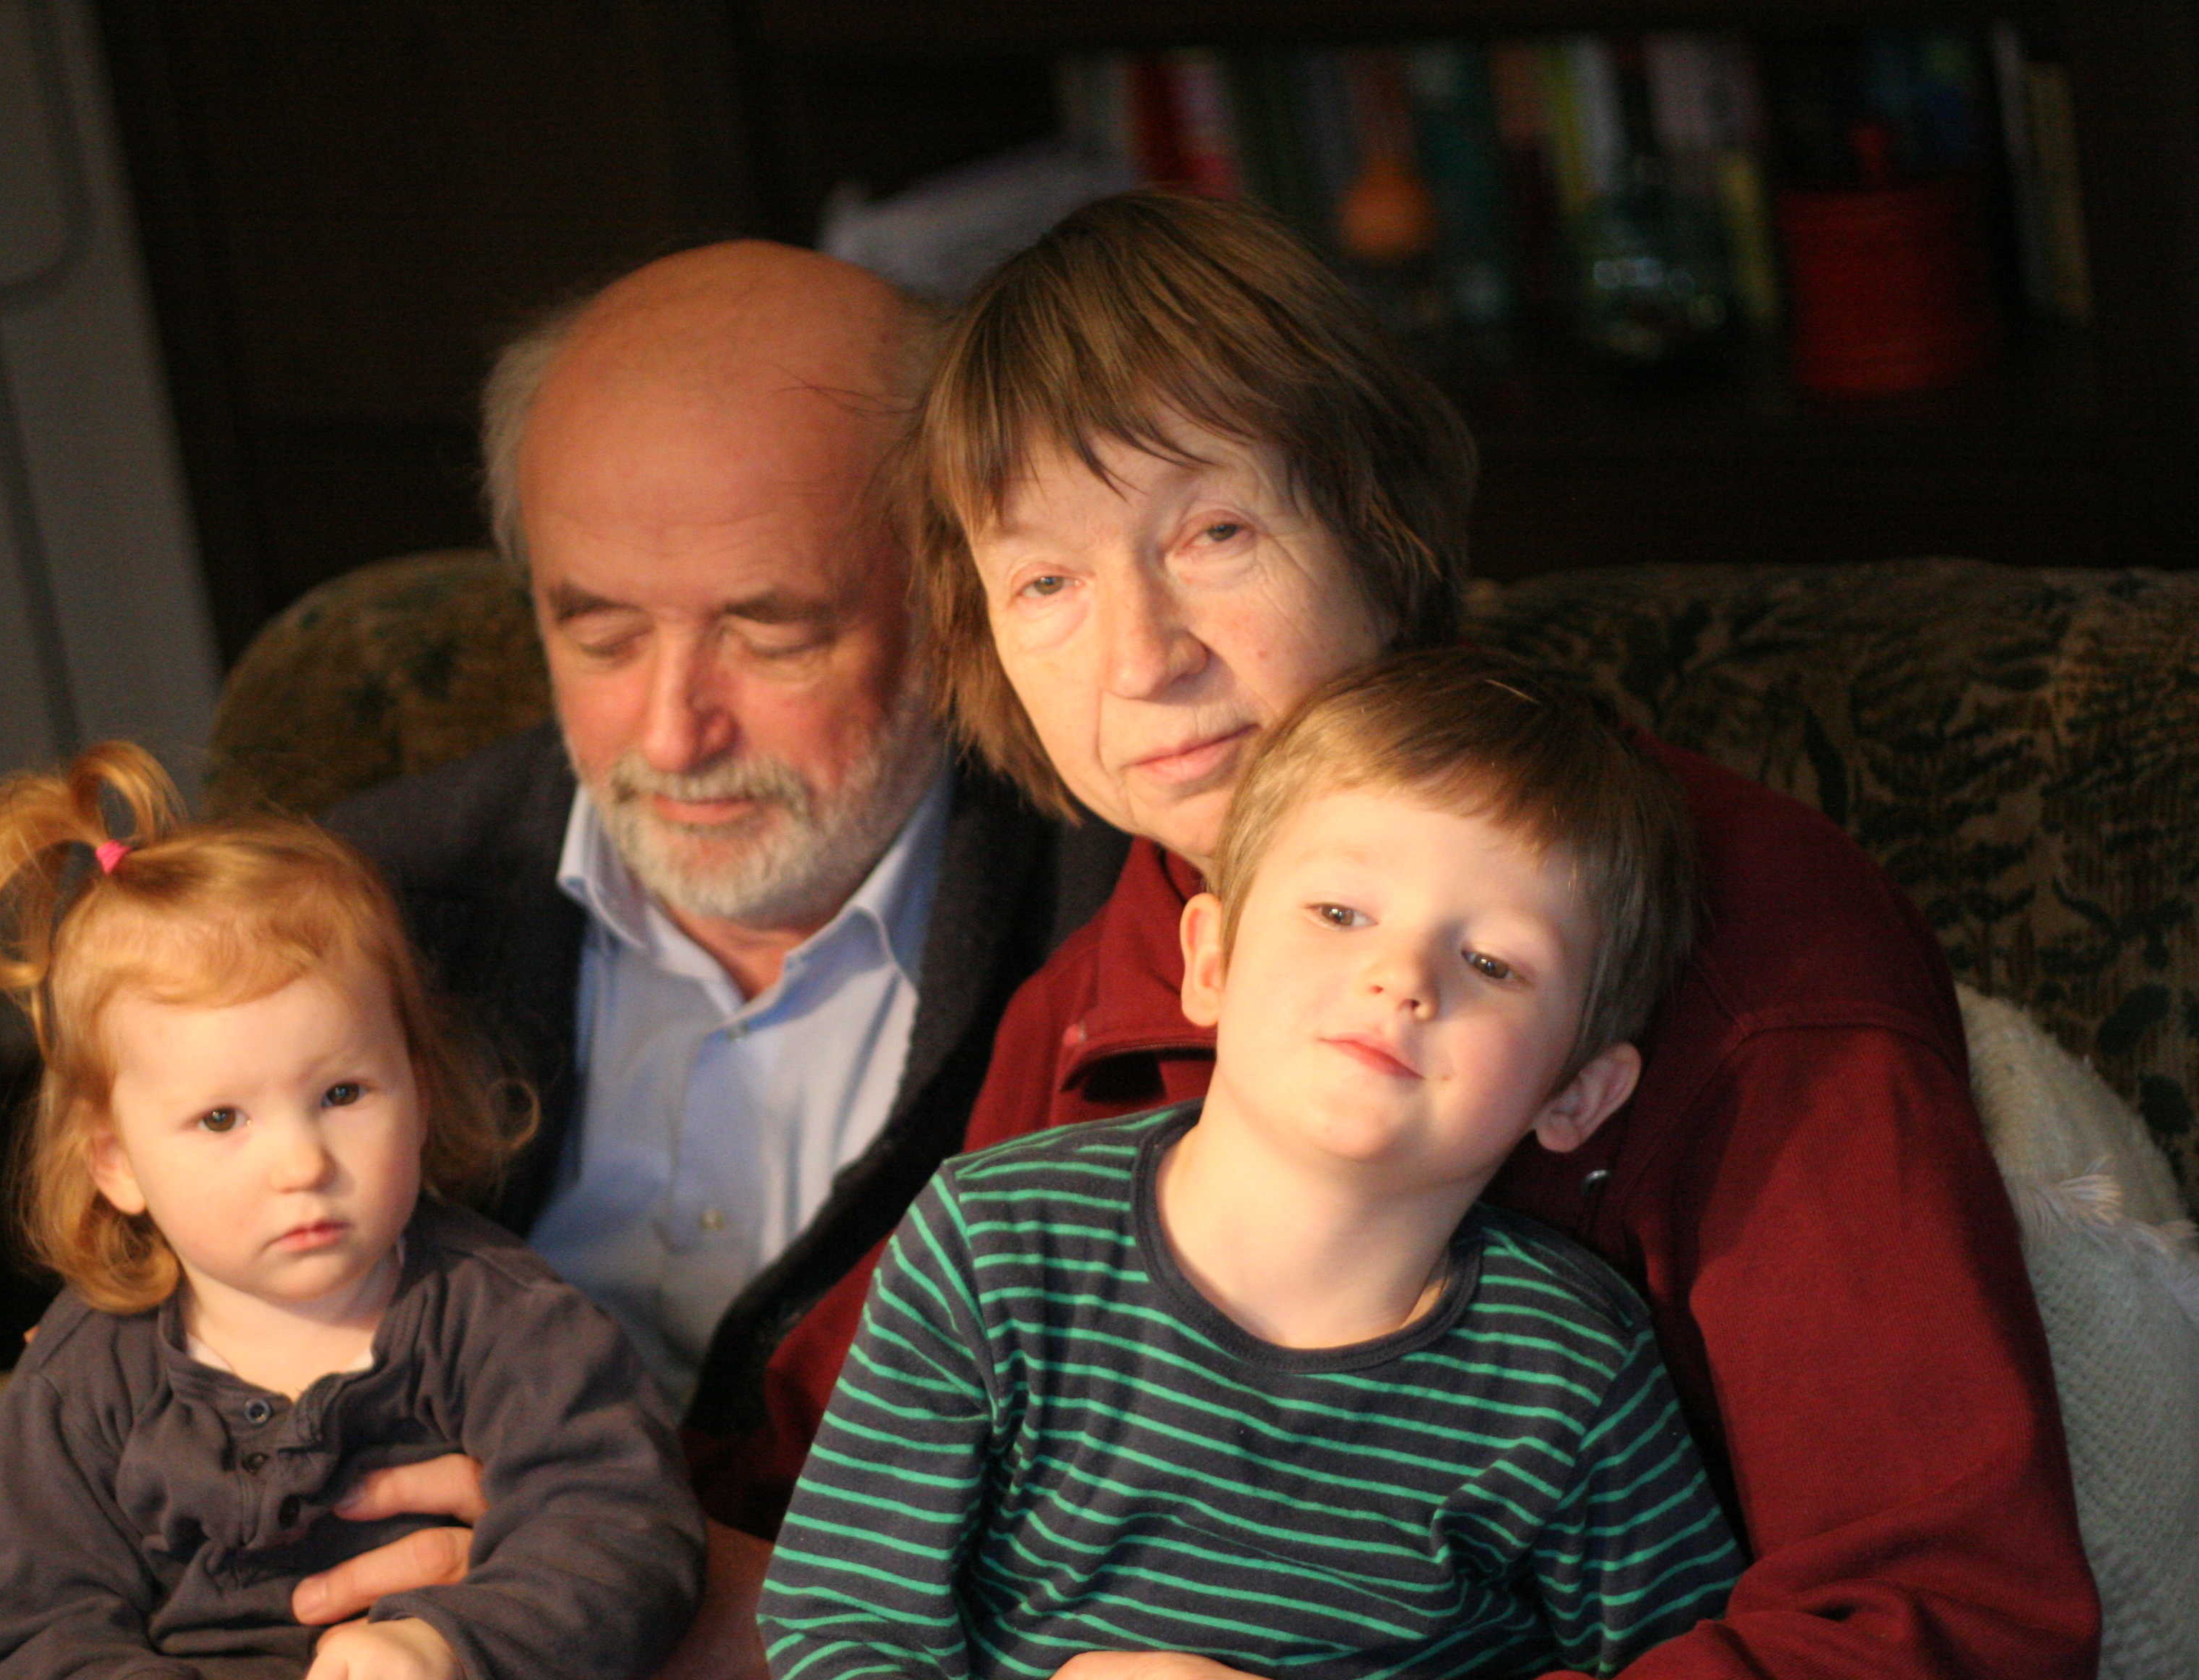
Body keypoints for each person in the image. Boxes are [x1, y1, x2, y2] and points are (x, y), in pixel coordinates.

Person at [869, 189, 2097, 1679]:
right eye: (1046, 583)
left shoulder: (1746, 947)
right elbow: (830, 1512)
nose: (1142, 658)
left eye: (1215, 532)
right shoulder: (1092, 991)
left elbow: (1944, 1624)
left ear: (1376, 533)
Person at [311, 242, 1123, 1649]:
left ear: (955, 594)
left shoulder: (1131, 925)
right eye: (601, 634)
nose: (675, 733)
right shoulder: (361, 911)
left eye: (772, 634)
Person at [759, 650, 1743, 1680]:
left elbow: (1681, 1662)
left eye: (1491, 963)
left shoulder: (1570, 1370)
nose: (1400, 977)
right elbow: (844, 1619)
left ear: (1578, 1092)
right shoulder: (995, 1246)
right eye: (1340, 914)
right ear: (1212, 960)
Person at [0, 742, 703, 1680]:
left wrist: (450, 1643)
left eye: (343, 1094)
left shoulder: (506, 1320)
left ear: (419, 1094)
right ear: (117, 1163)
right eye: (221, 1118)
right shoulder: (82, 1383)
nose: (302, 1163)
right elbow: (29, 1641)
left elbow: (624, 1531)